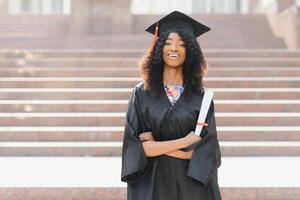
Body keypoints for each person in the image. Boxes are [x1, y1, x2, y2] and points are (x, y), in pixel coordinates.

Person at [121, 11, 222, 200]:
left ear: (190, 50)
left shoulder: (203, 97)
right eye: (167, 42)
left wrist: (155, 146)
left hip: (191, 188)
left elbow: (207, 153)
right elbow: (136, 149)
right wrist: (185, 143)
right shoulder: (141, 94)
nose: (174, 48)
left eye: (182, 44)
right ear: (158, 48)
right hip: (153, 185)